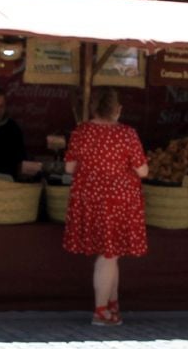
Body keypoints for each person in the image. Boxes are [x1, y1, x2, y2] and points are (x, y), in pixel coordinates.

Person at [62, 86, 148, 325]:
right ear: (117, 110)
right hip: (119, 201)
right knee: (109, 255)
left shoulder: (82, 131)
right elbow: (143, 170)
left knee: (111, 255)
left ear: (93, 109)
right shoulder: (127, 134)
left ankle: (112, 306)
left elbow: (69, 168)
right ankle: (100, 311)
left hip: (90, 199)